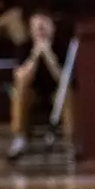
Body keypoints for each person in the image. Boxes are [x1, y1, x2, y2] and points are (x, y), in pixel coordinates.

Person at [10, 11, 75, 160]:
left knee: (68, 92)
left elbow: (64, 80)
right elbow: (21, 78)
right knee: (19, 90)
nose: (41, 29)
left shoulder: (62, 46)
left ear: (53, 27)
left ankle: (70, 141)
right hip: (34, 92)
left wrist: (49, 56)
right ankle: (19, 138)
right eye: (37, 27)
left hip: (56, 91)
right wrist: (35, 55)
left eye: (44, 25)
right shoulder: (24, 46)